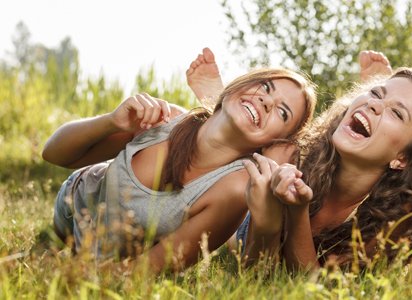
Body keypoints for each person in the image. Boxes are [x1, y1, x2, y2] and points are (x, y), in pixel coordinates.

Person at [187, 48, 412, 270]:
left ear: (402, 158)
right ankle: (217, 101)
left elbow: (310, 285)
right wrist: (266, 215)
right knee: (255, 156)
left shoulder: (397, 218)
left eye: (397, 112)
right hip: (245, 217)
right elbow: (252, 261)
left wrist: (296, 211)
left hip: (274, 225)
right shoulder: (293, 155)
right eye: (376, 93)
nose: (375, 104)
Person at [42, 64, 317, 273]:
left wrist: (91, 277)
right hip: (73, 207)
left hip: (107, 256)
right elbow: (54, 153)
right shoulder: (166, 119)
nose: (267, 101)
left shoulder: (233, 190)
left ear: (274, 141)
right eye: (266, 87)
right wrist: (112, 121)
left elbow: (144, 271)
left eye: (283, 112)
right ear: (238, 86)